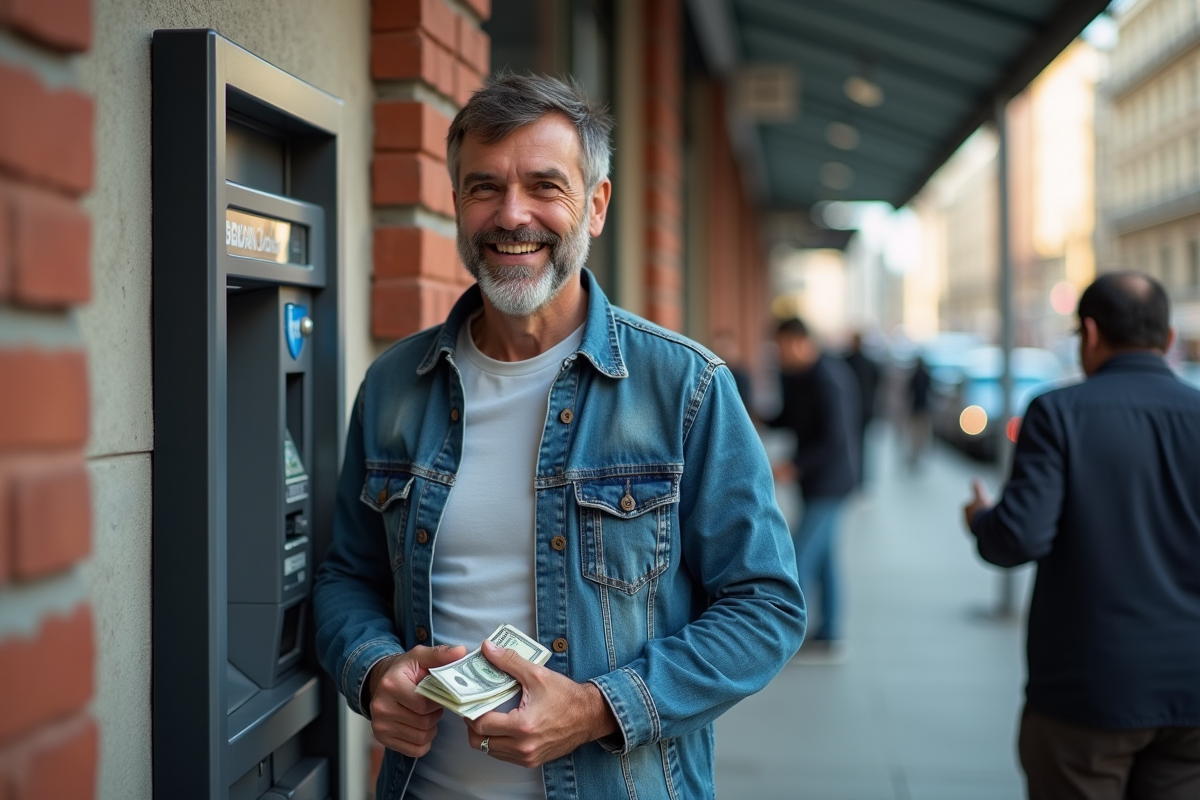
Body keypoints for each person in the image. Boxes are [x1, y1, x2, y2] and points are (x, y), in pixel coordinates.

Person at [313, 74, 805, 800]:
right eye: (484, 188)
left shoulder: (686, 388)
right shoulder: (393, 386)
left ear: (595, 205)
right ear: (456, 205)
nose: (513, 216)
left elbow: (765, 607)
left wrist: (600, 708)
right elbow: (346, 577)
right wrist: (374, 668)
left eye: (545, 186)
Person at [963, 272, 1200, 800]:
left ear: (1089, 333)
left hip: (1090, 688)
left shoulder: (1057, 412)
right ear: (1167, 338)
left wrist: (981, 518)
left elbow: (1017, 538)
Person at [766, 318, 859, 660]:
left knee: (801, 555)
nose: (778, 355)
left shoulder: (828, 378)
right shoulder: (799, 377)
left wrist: (796, 466)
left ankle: (785, 636)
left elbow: (834, 438)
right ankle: (831, 633)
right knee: (825, 559)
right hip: (817, 483)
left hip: (832, 483)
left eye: (781, 347)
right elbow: (790, 418)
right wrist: (762, 417)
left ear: (798, 342)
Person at [842, 332, 879, 482]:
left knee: (855, 446)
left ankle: (856, 477)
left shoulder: (847, 361)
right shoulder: (868, 362)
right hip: (863, 410)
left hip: (855, 411)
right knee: (861, 447)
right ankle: (859, 478)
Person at [906, 355, 931, 468]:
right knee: (921, 434)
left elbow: (909, 391)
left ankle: (915, 454)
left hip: (916, 408)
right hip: (923, 408)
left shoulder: (915, 375)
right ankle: (918, 454)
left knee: (915, 434)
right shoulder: (926, 375)